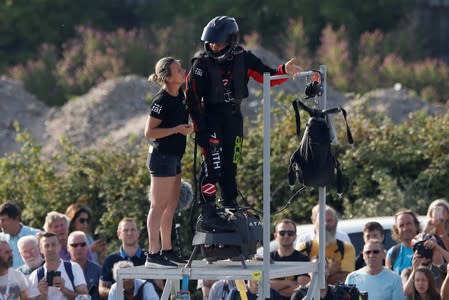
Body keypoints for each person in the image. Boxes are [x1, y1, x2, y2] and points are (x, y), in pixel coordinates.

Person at [185, 16, 302, 232]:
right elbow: (192, 101)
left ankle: (230, 205)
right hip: (210, 119)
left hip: (234, 119)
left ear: (230, 42)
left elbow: (267, 76)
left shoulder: (244, 58)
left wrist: (284, 70)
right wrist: (200, 131)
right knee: (213, 166)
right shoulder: (200, 65)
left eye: (217, 42)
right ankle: (208, 211)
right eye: (210, 42)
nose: (213, 46)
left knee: (231, 165)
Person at [144, 56, 193, 268]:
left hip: (175, 156)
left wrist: (186, 127)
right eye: (178, 70)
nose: (183, 71)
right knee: (159, 205)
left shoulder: (180, 94)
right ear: (168, 78)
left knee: (171, 205)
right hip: (161, 157)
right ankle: (153, 254)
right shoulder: (161, 100)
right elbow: (149, 132)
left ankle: (167, 249)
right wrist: (176, 129)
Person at [297, 205, 355, 284]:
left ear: (336, 223)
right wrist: (330, 271)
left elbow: (346, 278)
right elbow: (301, 281)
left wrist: (315, 274)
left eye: (329, 220)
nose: (325, 224)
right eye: (322, 220)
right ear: (315, 222)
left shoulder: (347, 248)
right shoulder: (304, 247)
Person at [28, 232, 89, 300]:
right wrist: (43, 295)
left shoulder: (73, 268)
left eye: (53, 245)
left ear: (59, 246)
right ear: (41, 250)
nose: (50, 249)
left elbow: (85, 298)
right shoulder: (35, 276)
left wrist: (63, 289)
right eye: (46, 246)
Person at [99, 217, 148, 299]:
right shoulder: (110, 260)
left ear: (138, 233)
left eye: (133, 230)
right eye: (125, 230)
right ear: (119, 234)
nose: (129, 233)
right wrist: (120, 293)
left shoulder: (149, 258)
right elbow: (102, 289)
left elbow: (161, 286)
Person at [269, 219, 310, 299]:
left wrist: (272, 290)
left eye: (290, 233)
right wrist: (288, 283)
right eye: (282, 233)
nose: (286, 236)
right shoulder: (267, 258)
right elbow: (259, 284)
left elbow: (301, 289)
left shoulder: (303, 259)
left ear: (295, 236)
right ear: (275, 236)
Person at [0, 202, 40, 268]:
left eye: (3, 220)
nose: (0, 224)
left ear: (16, 219)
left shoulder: (35, 235)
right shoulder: (1, 240)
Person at [67, 231, 101, 300]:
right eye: (74, 245)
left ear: (88, 247)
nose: (79, 248)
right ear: (68, 248)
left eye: (83, 244)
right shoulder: (62, 270)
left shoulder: (98, 270)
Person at [386, 209, 421, 275]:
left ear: (416, 226)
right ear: (397, 230)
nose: (405, 228)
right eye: (401, 225)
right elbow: (389, 281)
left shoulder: (427, 248)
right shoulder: (392, 253)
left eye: (409, 224)